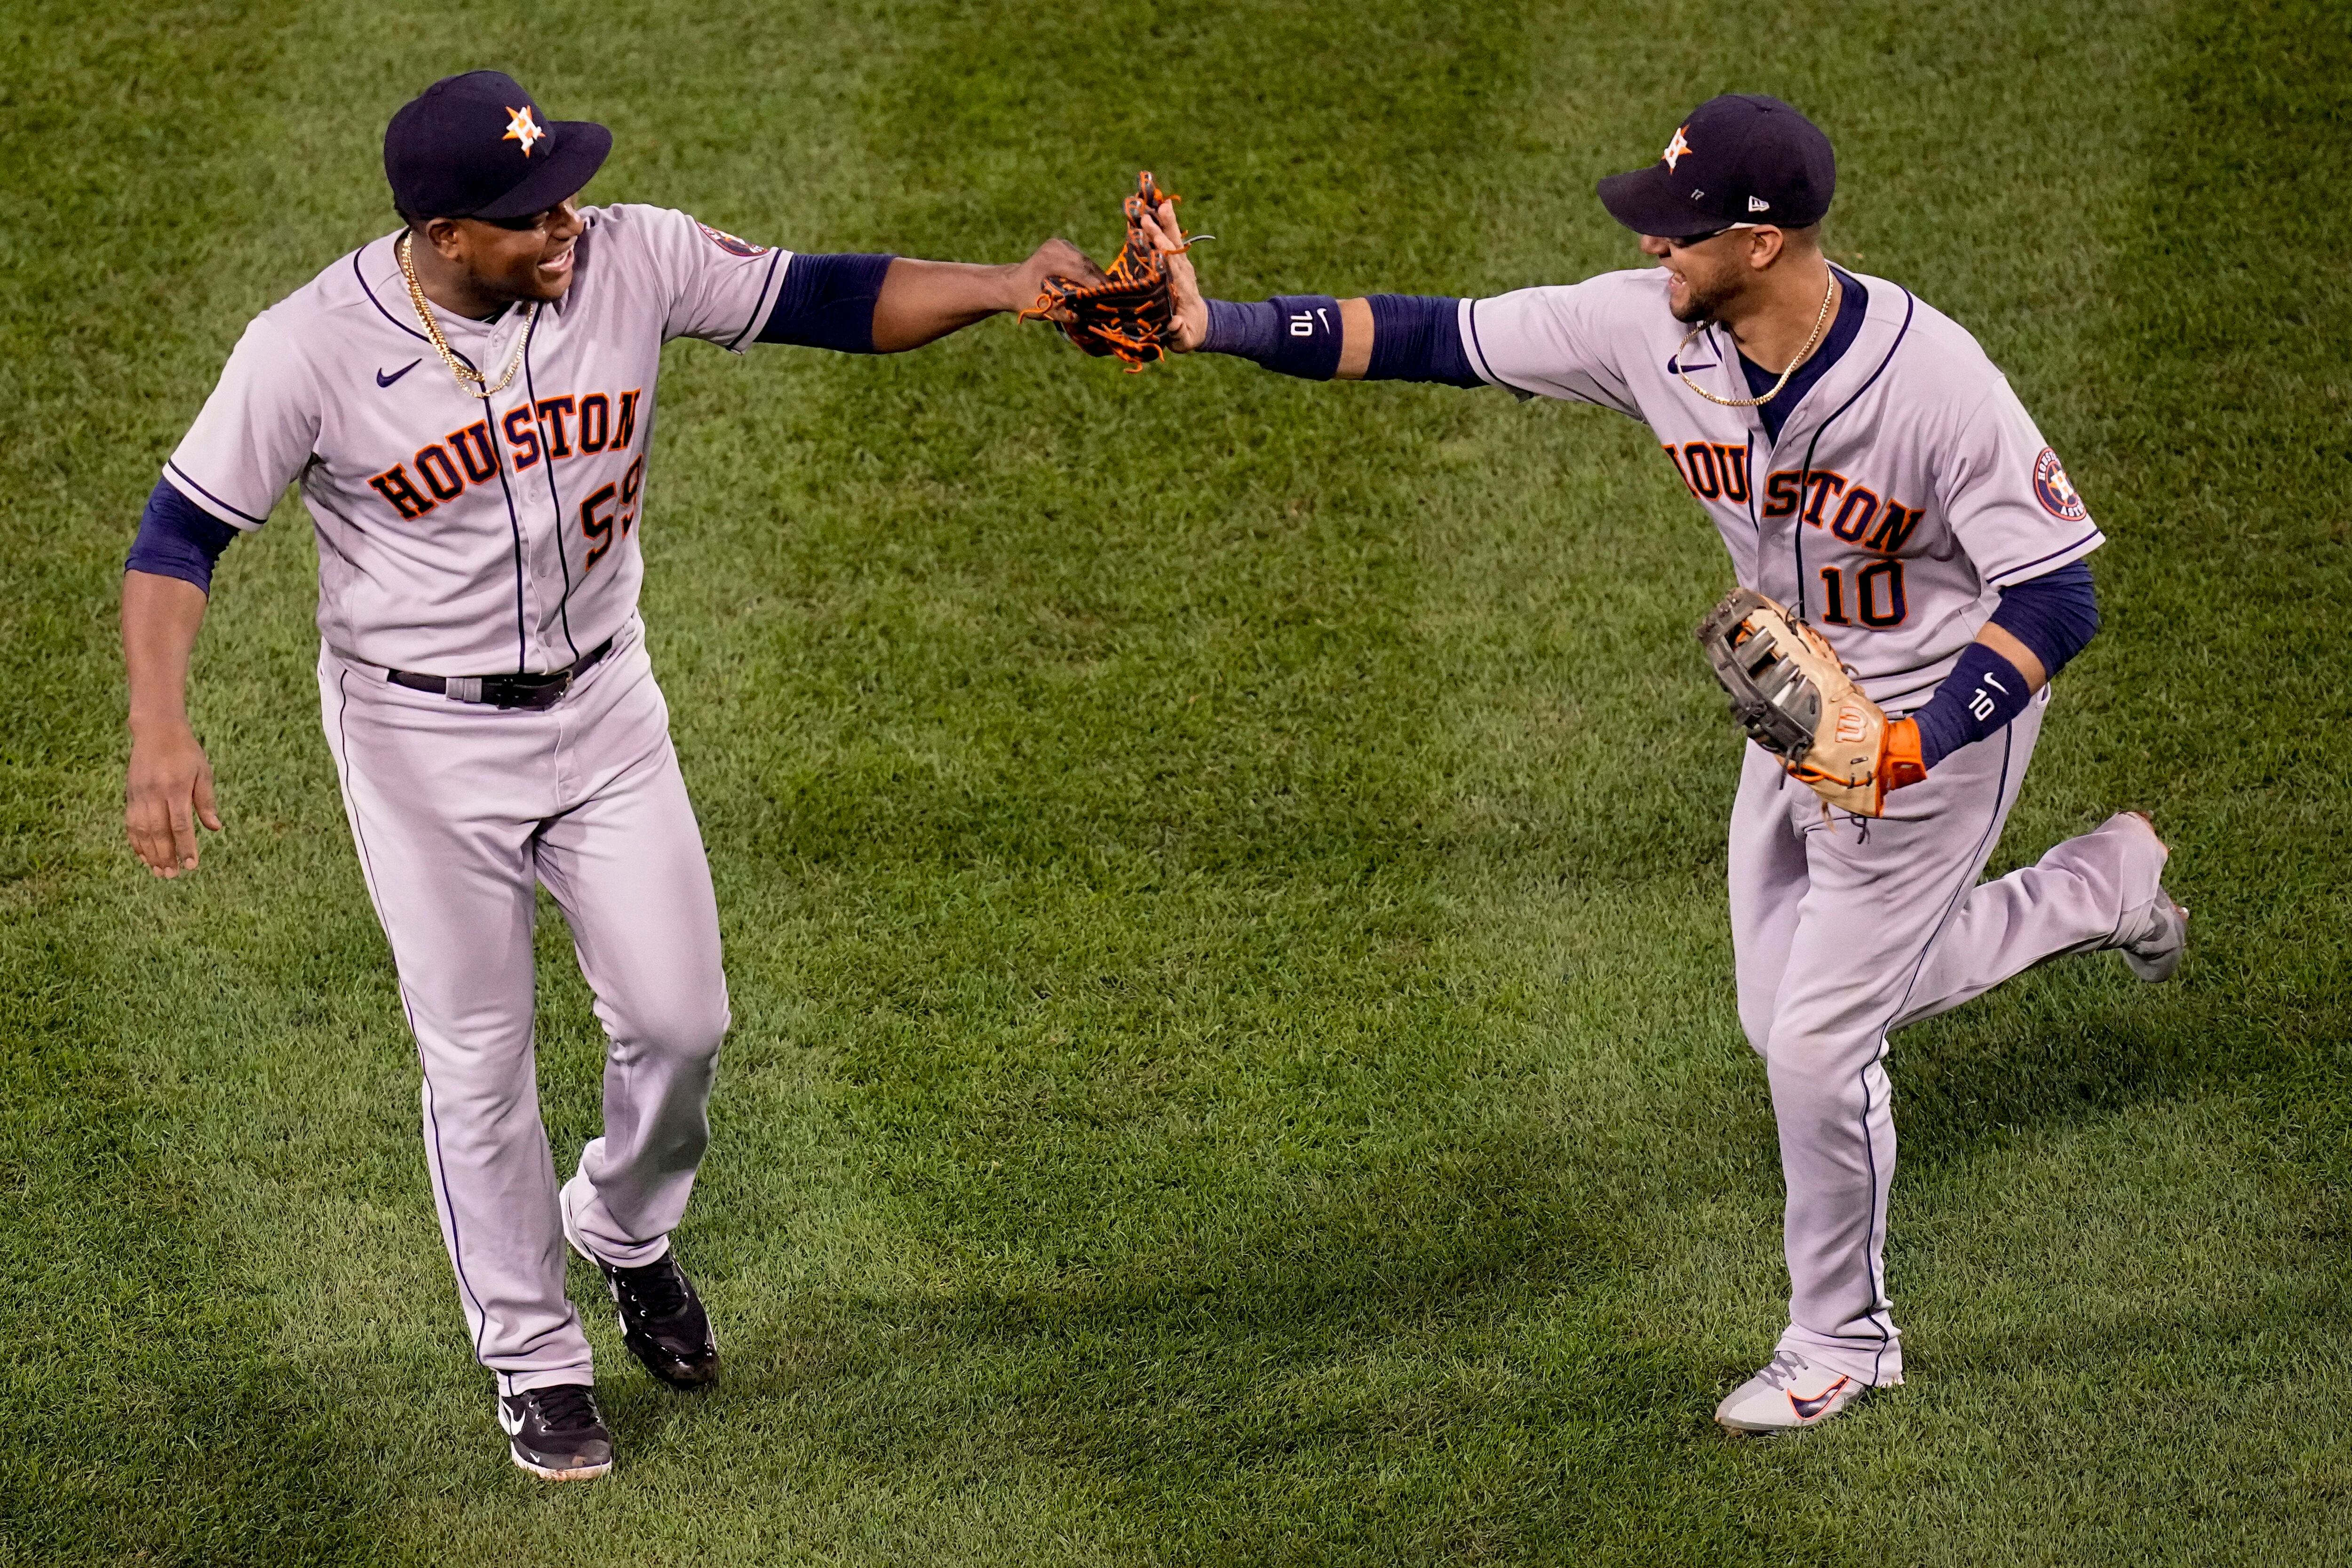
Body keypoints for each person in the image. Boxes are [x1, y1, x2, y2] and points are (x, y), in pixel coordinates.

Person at [1130, 93, 2188, 1432]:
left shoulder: (1938, 386)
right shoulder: (1651, 329)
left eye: (1678, 233)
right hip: (1795, 702)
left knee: (1815, 1046)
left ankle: (1843, 1342)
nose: (1651, 249)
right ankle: (2099, 889)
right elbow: (1430, 336)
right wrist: (1210, 325)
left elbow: (2056, 599)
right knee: (1789, 1016)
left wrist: (1913, 748)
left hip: (1941, 716)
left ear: (1761, 243)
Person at [121, 69, 1103, 1480]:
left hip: (606, 709)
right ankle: (533, 1356)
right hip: (421, 743)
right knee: (477, 1061)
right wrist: (163, 727)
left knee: (683, 1020)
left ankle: (623, 1227)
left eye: (566, 188)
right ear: (448, 232)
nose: (566, 222)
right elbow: (177, 538)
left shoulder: (631, 254)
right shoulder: (308, 350)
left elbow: (825, 298)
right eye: (530, 215)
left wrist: (1009, 286)